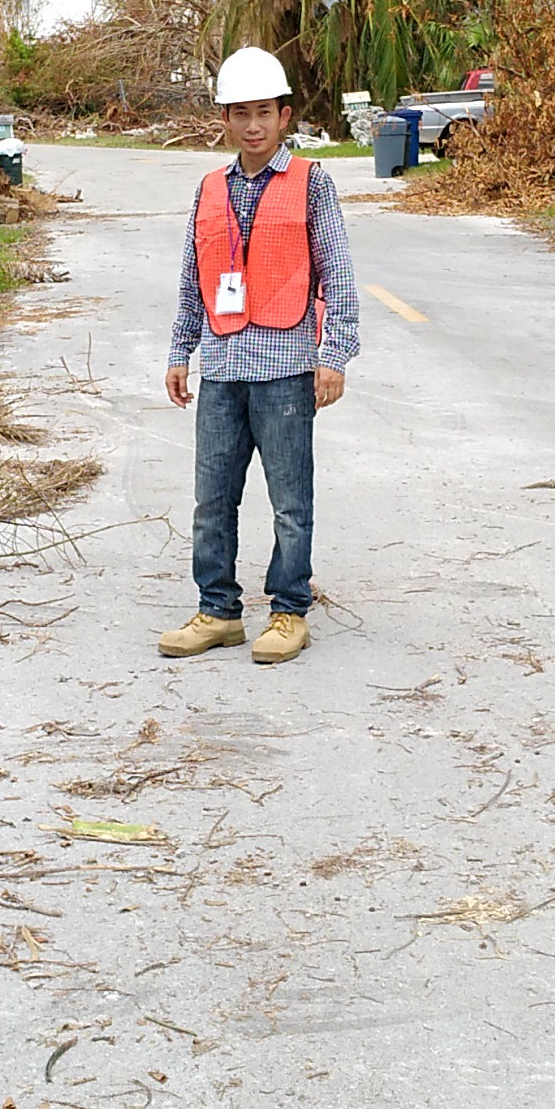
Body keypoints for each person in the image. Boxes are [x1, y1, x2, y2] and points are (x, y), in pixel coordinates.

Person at [161, 46, 360, 666]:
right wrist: (180, 352)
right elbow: (196, 275)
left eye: (264, 114)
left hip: (285, 371)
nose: (252, 125)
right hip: (222, 371)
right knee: (211, 498)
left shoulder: (312, 183)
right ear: (224, 119)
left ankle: (288, 610)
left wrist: (335, 352)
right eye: (240, 113)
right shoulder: (210, 189)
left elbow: (337, 272)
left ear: (285, 116)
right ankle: (217, 610)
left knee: (289, 498)